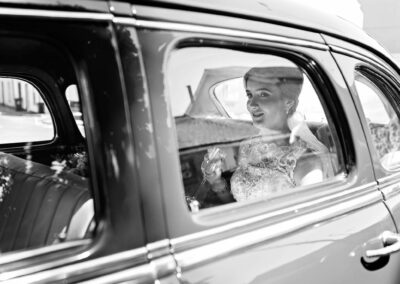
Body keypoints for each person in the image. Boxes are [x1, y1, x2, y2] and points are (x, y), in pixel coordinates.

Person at [200, 66, 334, 205]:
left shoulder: (306, 163)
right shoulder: (247, 147)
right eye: (249, 95)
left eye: (263, 94)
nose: (251, 104)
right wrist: (216, 181)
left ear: (288, 102)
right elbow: (241, 206)